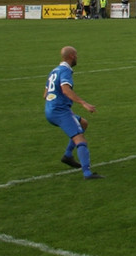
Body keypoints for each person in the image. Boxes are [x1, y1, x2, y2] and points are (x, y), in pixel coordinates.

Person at [44, 46, 103, 179]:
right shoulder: (65, 71)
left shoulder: (54, 71)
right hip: (60, 111)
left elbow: (45, 94)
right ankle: (87, 173)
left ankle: (68, 156)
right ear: (71, 56)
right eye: (76, 55)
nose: (77, 57)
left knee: (83, 124)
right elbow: (65, 90)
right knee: (80, 140)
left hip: (50, 110)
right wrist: (83, 103)